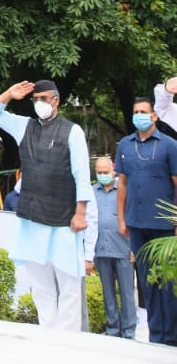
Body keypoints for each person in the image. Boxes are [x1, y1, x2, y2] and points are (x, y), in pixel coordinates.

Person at [0, 79, 93, 331]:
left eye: (44, 98)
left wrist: (81, 213)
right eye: (35, 99)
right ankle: (48, 338)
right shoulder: (25, 127)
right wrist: (8, 95)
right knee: (41, 286)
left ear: (56, 100)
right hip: (32, 218)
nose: (39, 103)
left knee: (69, 286)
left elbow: (82, 175)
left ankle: (68, 344)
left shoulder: (72, 131)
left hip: (64, 219)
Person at [116, 96, 177, 346]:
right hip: (136, 224)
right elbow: (122, 184)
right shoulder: (125, 145)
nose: (139, 115)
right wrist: (121, 219)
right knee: (147, 282)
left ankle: (171, 338)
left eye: (144, 111)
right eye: (136, 112)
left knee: (168, 282)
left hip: (164, 225)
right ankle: (156, 336)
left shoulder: (169, 145)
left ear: (154, 116)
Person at [92, 155, 136, 339]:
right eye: (99, 172)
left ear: (113, 170)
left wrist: (134, 247)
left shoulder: (124, 190)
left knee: (126, 291)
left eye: (105, 172)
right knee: (107, 291)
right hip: (101, 248)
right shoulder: (92, 191)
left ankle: (128, 330)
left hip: (123, 248)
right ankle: (113, 328)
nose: (103, 175)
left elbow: (133, 219)